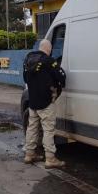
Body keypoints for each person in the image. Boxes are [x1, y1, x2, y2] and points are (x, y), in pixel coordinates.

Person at [23, 39, 66, 168]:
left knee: (32, 127)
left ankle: (29, 154)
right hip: (46, 102)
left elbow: (25, 78)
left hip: (33, 101)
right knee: (48, 130)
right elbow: (62, 77)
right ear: (49, 49)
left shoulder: (28, 59)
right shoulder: (49, 61)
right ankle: (50, 158)